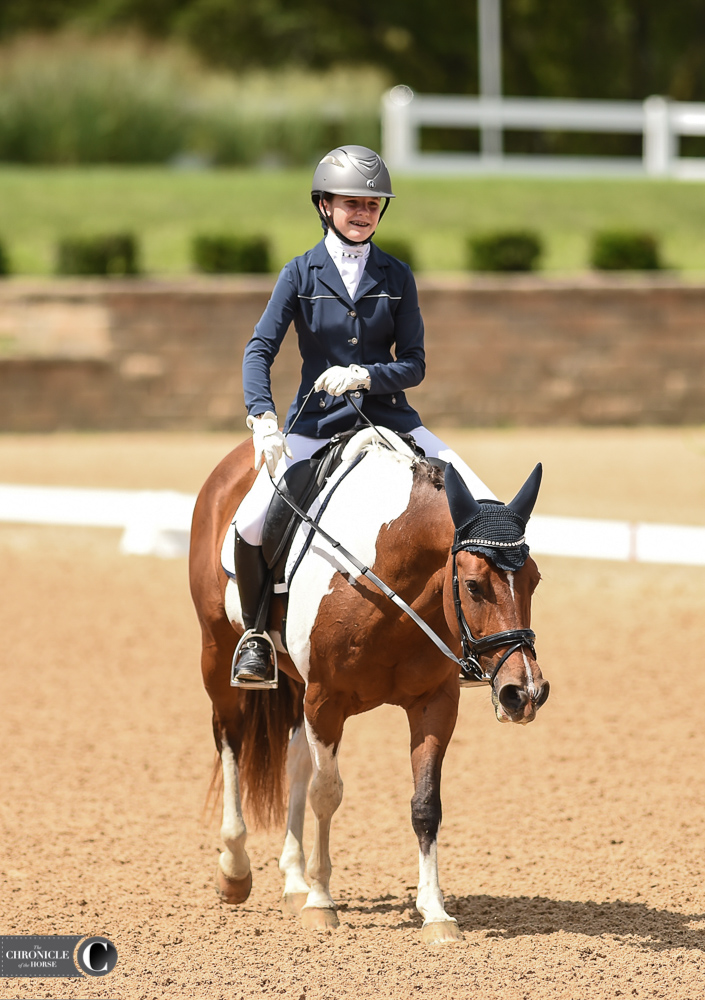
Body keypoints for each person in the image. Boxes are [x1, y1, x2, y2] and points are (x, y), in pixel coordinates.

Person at [232, 144, 497, 685]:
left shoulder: (396, 276)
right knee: (251, 521)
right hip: (317, 424)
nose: (363, 213)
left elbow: (416, 364)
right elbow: (259, 349)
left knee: (485, 505)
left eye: (372, 205)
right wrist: (263, 418)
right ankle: (257, 636)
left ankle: (473, 643)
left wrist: (367, 376)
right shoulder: (300, 274)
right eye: (351, 203)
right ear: (324, 205)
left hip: (392, 419)